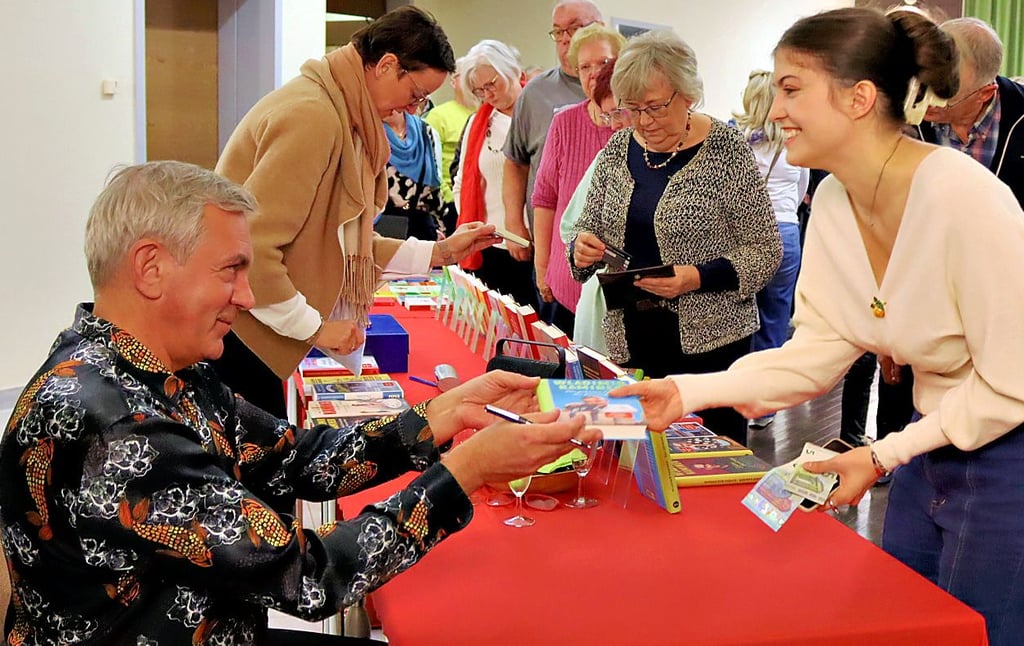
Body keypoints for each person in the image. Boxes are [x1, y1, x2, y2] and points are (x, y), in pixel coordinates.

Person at [0, 161, 600, 646]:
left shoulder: (148, 367)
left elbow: (288, 457)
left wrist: (442, 414)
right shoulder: (120, 424)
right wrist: (467, 472)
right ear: (151, 268)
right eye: (231, 270)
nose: (248, 294)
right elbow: (308, 578)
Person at [613, 9, 1024, 645]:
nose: (773, 109)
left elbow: (1010, 386)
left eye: (791, 88)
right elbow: (813, 354)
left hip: (1007, 455)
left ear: (860, 98)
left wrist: (882, 453)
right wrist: (684, 392)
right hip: (929, 443)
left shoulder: (963, 197)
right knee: (910, 622)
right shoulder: (832, 200)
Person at [214, 7, 498, 418]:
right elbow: (251, 249)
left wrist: (442, 253)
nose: (416, 109)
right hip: (242, 336)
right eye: (416, 94)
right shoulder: (314, 115)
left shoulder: (339, 111)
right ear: (386, 65)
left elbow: (342, 244)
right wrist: (316, 329)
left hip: (252, 331)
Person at [568, 30, 781, 444]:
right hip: (630, 337)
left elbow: (765, 250)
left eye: (654, 107)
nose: (643, 122)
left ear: (688, 94)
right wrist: (581, 250)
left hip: (711, 341)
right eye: (632, 109)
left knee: (709, 458)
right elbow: (584, 233)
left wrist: (695, 277)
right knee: (635, 455)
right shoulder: (617, 150)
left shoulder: (726, 150)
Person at [532, 24, 626, 338]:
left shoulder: (636, 128)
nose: (594, 73)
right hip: (565, 276)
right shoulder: (564, 122)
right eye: (584, 66)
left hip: (616, 285)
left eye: (602, 63)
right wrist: (541, 266)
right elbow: (545, 198)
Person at [731, 70, 810, 430]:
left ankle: (739, 393)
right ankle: (766, 407)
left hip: (750, 234)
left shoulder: (737, 143)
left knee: (741, 315)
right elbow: (801, 190)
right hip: (787, 233)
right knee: (776, 318)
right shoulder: (794, 143)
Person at [501, 0, 604, 263]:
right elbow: (516, 162)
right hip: (551, 244)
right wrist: (514, 222)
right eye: (558, 31)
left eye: (575, 28)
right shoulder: (535, 94)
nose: (566, 39)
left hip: (608, 247)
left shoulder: (626, 92)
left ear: (600, 28)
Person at [453, 39, 538, 311]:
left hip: (535, 245)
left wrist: (522, 233)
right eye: (479, 90)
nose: (487, 94)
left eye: (492, 84)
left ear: (515, 73)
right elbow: (461, 184)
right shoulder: (479, 124)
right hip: (490, 246)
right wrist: (475, 228)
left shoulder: (540, 116)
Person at [920, 17, 1024, 207]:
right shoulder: (902, 115)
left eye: (945, 92)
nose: (926, 98)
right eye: (926, 80)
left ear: (984, 94)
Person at [423, 56, 475, 235]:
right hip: (450, 203)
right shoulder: (438, 116)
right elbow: (430, 163)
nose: (471, 80)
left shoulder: (484, 115)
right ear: (453, 81)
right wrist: (450, 199)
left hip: (477, 202)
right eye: (465, 75)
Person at [380, 108, 445, 241]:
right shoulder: (368, 135)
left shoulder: (426, 132)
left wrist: (439, 227)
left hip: (422, 230)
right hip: (382, 230)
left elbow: (435, 188)